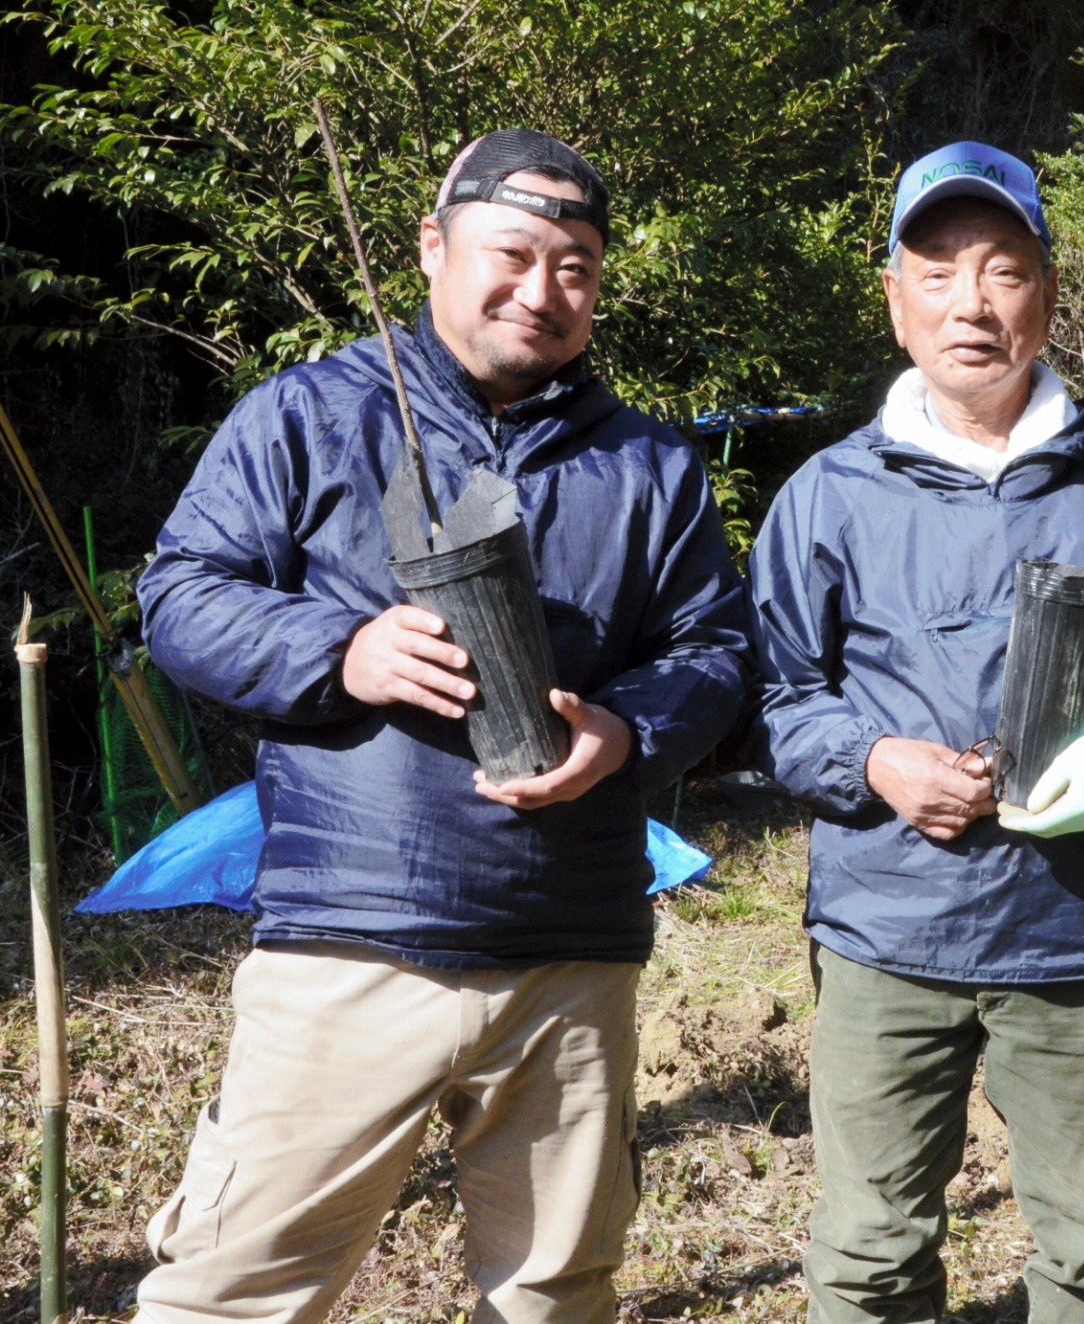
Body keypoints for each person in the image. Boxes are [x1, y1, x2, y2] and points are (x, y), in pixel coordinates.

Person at [132, 129, 751, 1323]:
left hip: (571, 950)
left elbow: (717, 652)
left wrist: (624, 733)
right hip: (349, 941)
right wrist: (342, 651)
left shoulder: (649, 463)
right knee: (233, 1294)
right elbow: (180, 595)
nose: (542, 288)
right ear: (431, 246)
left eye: (575, 265)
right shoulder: (307, 414)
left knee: (554, 1293)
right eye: (511, 252)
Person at [749, 141, 1084, 1323]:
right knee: (868, 1252)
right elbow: (774, 700)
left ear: (1048, 292)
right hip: (885, 929)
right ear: (892, 296)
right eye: (936, 272)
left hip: (1074, 931)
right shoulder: (828, 493)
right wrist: (871, 759)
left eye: (1002, 270)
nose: (969, 303)